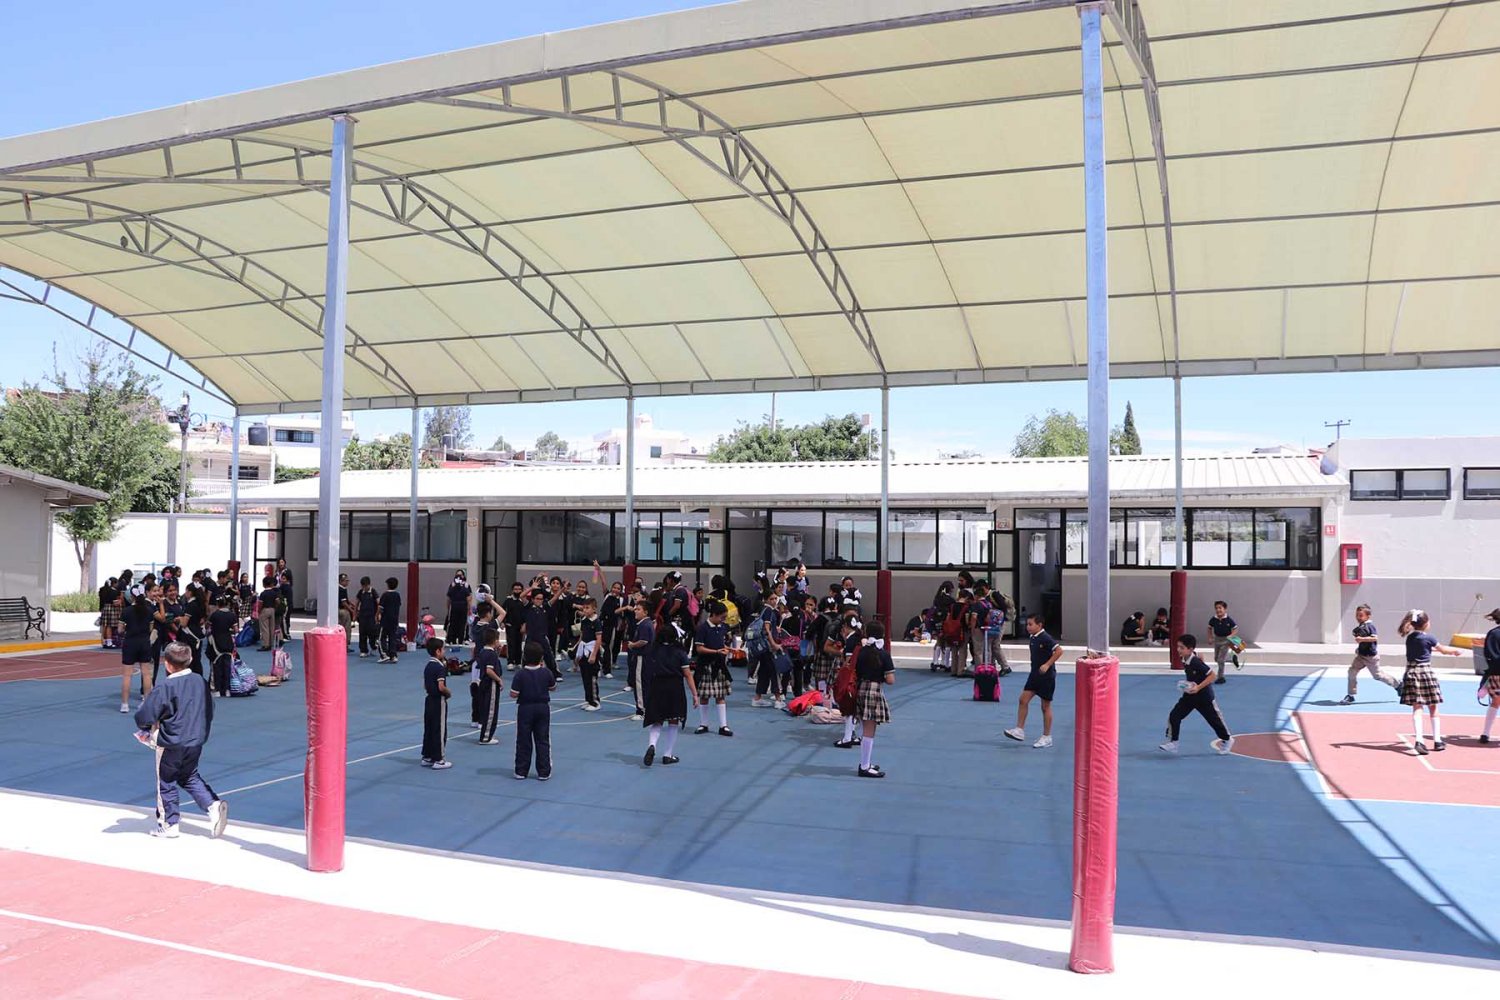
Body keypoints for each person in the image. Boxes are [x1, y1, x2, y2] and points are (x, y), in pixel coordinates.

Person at [133, 642, 228, 839]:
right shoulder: (199, 681)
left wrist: (146, 729)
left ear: (167, 664)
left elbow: (145, 715)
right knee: (188, 775)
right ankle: (212, 804)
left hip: (171, 741)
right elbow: (210, 708)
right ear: (190, 659)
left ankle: (169, 823)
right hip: (196, 738)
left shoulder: (165, 686)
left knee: (166, 781)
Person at [1398, 609, 1463, 754]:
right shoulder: (1429, 638)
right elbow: (1443, 650)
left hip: (1411, 672)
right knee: (1433, 707)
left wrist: (1435, 649)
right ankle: (1437, 741)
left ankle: (1419, 741)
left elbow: (1424, 649)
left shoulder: (1410, 638)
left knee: (1417, 707)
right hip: (1425, 672)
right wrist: (1455, 651)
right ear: (1426, 623)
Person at [1158, 634, 1234, 755]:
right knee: (1174, 716)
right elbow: (1198, 658)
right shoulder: (1185, 657)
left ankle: (1227, 739)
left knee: (1214, 721)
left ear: (1190, 649)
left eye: (1182, 647)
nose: (1178, 650)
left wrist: (1198, 687)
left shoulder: (1195, 662)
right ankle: (1173, 743)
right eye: (1178, 646)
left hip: (1204, 697)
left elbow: (1212, 676)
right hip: (1190, 696)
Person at [1004, 612, 1062, 749]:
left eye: (1030, 624)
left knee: (1045, 706)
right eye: (1027, 624)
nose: (1027, 627)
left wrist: (1047, 665)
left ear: (1039, 625)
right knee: (1023, 700)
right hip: (1034, 675)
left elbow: (1059, 651)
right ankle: (1019, 730)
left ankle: (1047, 737)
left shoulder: (1046, 638)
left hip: (1046, 677)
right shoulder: (1032, 638)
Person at [641, 621, 695, 767]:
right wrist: (695, 695)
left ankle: (652, 745)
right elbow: (688, 675)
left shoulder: (653, 650)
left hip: (657, 686)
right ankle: (667, 754)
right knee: (673, 720)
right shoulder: (679, 652)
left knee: (657, 720)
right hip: (674, 687)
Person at [847, 621, 896, 778]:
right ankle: (865, 766)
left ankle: (866, 763)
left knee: (865, 726)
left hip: (860, 688)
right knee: (869, 730)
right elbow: (891, 680)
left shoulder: (861, 652)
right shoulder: (884, 654)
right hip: (874, 690)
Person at [510, 641, 556, 779]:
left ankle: (521, 770)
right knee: (542, 739)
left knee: (523, 739)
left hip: (525, 708)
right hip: (543, 707)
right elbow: (553, 687)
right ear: (541, 657)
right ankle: (544, 771)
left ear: (524, 657)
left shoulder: (520, 674)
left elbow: (514, 694)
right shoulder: (546, 672)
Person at [1341, 603, 1399, 705]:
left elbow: (1374, 638)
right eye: (1357, 615)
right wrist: (1359, 648)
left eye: (1361, 615)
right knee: (1352, 672)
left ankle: (1398, 685)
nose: (1358, 617)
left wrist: (1361, 639)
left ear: (1368, 616)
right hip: (1361, 656)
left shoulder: (1370, 626)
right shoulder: (1361, 626)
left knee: (1378, 676)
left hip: (1371, 658)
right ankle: (1351, 695)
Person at [692, 601, 734, 737]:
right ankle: (703, 724)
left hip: (719, 665)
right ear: (714, 614)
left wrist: (728, 649)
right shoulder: (702, 628)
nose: (723, 620)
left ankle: (723, 725)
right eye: (722, 617)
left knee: (720, 696)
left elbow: (722, 644)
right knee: (704, 696)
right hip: (705, 665)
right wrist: (716, 652)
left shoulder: (722, 627)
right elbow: (699, 648)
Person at [118, 584, 156, 713]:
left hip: (130, 642)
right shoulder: (149, 611)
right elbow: (150, 629)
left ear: (132, 597)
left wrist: (126, 630)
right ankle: (146, 702)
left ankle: (125, 704)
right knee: (146, 673)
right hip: (144, 642)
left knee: (127, 675)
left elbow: (120, 630)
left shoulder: (126, 611)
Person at [420, 637, 453, 769]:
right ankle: (439, 759)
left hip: (429, 699)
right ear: (438, 651)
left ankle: (427, 756)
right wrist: (448, 692)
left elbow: (425, 685)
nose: (444, 652)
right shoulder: (440, 667)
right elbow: (441, 686)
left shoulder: (428, 666)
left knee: (429, 727)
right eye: (443, 649)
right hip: (438, 700)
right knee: (439, 728)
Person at [475, 626, 507, 746]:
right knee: (491, 710)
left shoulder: (483, 652)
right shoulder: (490, 654)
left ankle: (487, 734)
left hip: (484, 683)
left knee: (487, 708)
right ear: (495, 641)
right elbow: (489, 670)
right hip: (490, 684)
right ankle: (486, 736)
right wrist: (499, 680)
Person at [521, 587, 558, 679]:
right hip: (530, 636)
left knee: (548, 655)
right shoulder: (528, 606)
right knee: (527, 654)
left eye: (541, 599)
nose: (539, 601)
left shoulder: (545, 607)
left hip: (542, 636)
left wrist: (561, 590)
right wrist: (532, 588)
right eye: (537, 599)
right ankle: (525, 674)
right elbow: (522, 596)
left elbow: (554, 598)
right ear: (532, 599)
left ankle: (554, 673)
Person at [626, 598, 654, 720]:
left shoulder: (644, 625)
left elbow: (643, 641)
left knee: (640, 684)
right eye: (635, 609)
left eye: (638, 609)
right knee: (645, 684)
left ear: (645, 612)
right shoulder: (647, 624)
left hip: (642, 658)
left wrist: (632, 645)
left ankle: (641, 711)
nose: (635, 611)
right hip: (647, 658)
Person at [206, 592, 237, 699]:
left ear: (217, 604)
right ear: (227, 603)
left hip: (216, 642)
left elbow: (208, 627)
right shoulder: (232, 615)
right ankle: (227, 689)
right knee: (227, 666)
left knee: (216, 666)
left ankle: (217, 690)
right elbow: (235, 630)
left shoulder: (214, 615)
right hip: (228, 642)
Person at [575, 597, 603, 711]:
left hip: (592, 650)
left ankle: (595, 702)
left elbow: (598, 639)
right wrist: (577, 651)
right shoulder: (584, 620)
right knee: (585, 676)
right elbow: (582, 636)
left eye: (588, 608)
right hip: (583, 649)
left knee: (592, 677)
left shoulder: (596, 622)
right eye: (584, 608)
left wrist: (594, 654)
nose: (585, 610)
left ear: (594, 609)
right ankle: (588, 699)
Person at [1480, 608, 1500, 744]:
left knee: (1495, 702)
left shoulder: (1493, 634)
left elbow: (1488, 654)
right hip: (1496, 672)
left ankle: (1485, 733)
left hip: (1496, 673)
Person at [1207, 600, 1239, 683]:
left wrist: (1231, 636)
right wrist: (1210, 637)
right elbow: (1209, 628)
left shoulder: (1228, 619)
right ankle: (1231, 658)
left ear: (1225, 609)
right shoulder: (1214, 619)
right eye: (1216, 608)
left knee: (1220, 660)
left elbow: (1235, 629)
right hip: (1217, 639)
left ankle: (1220, 677)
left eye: (1220, 608)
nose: (1218, 610)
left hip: (1226, 640)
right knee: (1216, 658)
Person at [500, 581, 528, 672]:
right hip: (510, 625)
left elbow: (526, 614)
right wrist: (503, 622)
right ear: (512, 590)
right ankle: (510, 662)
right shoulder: (508, 601)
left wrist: (525, 624)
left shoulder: (524, 602)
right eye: (516, 589)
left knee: (519, 644)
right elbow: (502, 611)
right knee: (511, 643)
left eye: (519, 589)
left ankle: (518, 661)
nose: (517, 591)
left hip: (520, 626)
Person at [445, 570, 473, 646]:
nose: (459, 577)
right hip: (455, 607)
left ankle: (462, 639)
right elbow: (449, 598)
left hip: (462, 607)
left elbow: (469, 598)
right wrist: (448, 608)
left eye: (460, 575)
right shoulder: (452, 585)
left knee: (462, 624)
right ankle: (452, 639)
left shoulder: (466, 585)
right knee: (453, 623)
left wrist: (469, 609)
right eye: (457, 575)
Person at [378, 577, 402, 663]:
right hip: (394, 620)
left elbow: (381, 608)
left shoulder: (385, 595)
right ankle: (393, 655)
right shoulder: (397, 595)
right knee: (392, 637)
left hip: (385, 620)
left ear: (388, 585)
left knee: (381, 638)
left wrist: (377, 616)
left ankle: (384, 654)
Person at [354, 576, 379, 658]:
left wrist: (378, 614)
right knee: (362, 633)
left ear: (369, 584)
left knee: (372, 633)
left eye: (366, 586)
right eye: (363, 586)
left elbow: (378, 603)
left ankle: (373, 647)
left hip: (372, 616)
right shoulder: (360, 592)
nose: (364, 588)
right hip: (362, 616)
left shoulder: (373, 592)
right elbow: (357, 603)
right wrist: (355, 614)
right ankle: (363, 650)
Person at [257, 575, 281, 652]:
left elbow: (260, 604)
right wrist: (275, 607)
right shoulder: (274, 593)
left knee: (265, 628)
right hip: (272, 609)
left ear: (264, 584)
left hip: (265, 609)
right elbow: (278, 601)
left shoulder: (263, 593)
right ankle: (271, 643)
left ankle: (266, 644)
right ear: (271, 584)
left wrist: (259, 611)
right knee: (272, 627)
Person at [98, 576, 120, 649]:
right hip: (111, 608)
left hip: (104, 608)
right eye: (116, 583)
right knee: (109, 626)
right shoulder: (114, 591)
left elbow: (101, 600)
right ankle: (109, 643)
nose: (117, 585)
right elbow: (114, 602)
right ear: (114, 583)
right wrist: (119, 602)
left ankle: (103, 641)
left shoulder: (102, 589)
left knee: (104, 626)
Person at [337, 573, 354, 651]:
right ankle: (345, 645)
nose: (347, 582)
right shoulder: (342, 589)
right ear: (341, 581)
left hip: (338, 610)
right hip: (343, 610)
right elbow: (344, 602)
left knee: (340, 627)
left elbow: (346, 600)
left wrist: (352, 604)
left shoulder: (339, 588)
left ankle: (341, 645)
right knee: (346, 628)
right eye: (346, 581)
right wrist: (352, 610)